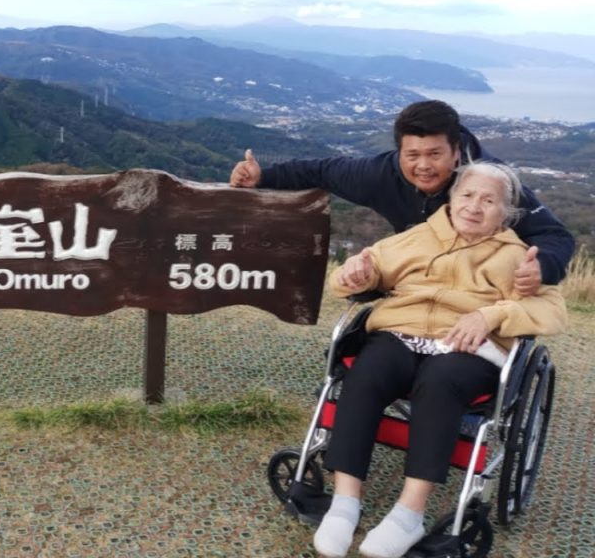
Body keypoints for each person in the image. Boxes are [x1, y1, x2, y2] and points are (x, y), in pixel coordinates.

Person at [313, 161, 567, 558]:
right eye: (467, 195)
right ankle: (345, 503)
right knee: (368, 371)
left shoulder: (517, 256)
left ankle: (409, 513)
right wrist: (355, 275)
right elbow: (364, 271)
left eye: (489, 200)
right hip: (400, 332)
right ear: (451, 198)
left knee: (441, 383)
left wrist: (491, 315)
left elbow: (553, 311)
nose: (474, 206)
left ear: (507, 212)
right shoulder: (417, 238)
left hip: (468, 347)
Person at [229, 100, 575, 297]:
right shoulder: (382, 174)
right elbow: (320, 171)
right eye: (412, 155)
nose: (423, 166)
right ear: (399, 151)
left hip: (476, 293)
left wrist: (542, 266)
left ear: (456, 151)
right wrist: (264, 177)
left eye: (435, 154)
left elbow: (555, 236)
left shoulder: (490, 183)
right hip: (414, 282)